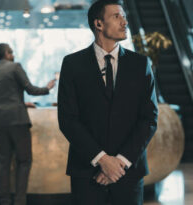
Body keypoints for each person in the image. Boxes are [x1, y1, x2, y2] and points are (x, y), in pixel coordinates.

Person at [57, 0, 158, 204]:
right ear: (99, 24)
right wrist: (102, 160)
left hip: (128, 173)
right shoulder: (72, 64)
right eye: (117, 16)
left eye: (124, 17)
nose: (124, 22)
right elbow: (68, 119)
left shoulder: (141, 64)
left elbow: (149, 119)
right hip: (87, 172)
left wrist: (118, 163)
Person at [0, 43, 56, 205]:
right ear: (7, 53)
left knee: (3, 164)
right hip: (17, 120)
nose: (13, 54)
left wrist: (20, 102)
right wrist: (47, 88)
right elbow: (30, 89)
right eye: (11, 51)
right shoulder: (15, 67)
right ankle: (20, 201)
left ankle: (4, 201)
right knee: (23, 161)